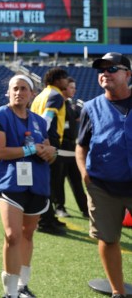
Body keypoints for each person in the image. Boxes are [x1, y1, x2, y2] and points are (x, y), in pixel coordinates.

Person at [0, 74, 57, 298]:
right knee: (12, 236)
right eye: (15, 88)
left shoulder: (39, 121)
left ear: (32, 94)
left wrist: (50, 152)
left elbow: (46, 150)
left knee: (28, 234)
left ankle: (22, 286)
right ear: (8, 92)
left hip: (36, 182)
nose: (19, 92)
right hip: (9, 183)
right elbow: (0, 152)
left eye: (24, 89)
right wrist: (31, 149)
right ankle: (9, 292)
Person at [76, 52, 132, 298]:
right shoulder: (90, 107)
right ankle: (117, 291)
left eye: (112, 69)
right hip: (102, 184)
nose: (105, 74)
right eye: (102, 70)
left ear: (128, 74)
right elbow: (81, 145)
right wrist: (85, 175)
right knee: (108, 239)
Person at [30, 66, 69, 235]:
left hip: (39, 140)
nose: (67, 82)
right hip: (49, 141)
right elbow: (47, 118)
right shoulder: (55, 95)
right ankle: (45, 221)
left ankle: (49, 217)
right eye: (65, 78)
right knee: (50, 183)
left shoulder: (40, 95)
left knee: (46, 181)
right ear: (58, 80)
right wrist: (45, 140)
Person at [53, 77, 88, 218]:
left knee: (76, 179)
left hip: (72, 147)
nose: (74, 90)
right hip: (60, 146)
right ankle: (59, 207)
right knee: (58, 179)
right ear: (64, 88)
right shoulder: (57, 103)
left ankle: (85, 209)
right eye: (71, 87)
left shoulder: (69, 104)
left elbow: (78, 116)